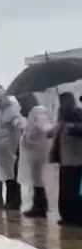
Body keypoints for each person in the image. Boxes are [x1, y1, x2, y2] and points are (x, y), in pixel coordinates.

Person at [18, 95, 53, 218]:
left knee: (38, 179)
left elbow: (45, 128)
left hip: (38, 152)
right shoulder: (33, 113)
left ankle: (40, 206)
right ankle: (38, 205)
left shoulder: (38, 112)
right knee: (36, 179)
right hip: (35, 152)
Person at [0, 90, 24, 210]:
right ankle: (10, 200)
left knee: (11, 175)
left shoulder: (11, 112)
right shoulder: (2, 112)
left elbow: (18, 123)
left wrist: (20, 126)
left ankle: (14, 201)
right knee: (6, 175)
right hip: (2, 150)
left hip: (9, 149)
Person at [54, 92, 82, 226]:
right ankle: (66, 215)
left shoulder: (78, 113)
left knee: (74, 190)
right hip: (64, 157)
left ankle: (75, 217)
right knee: (65, 188)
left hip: (76, 158)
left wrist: (70, 127)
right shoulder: (61, 114)